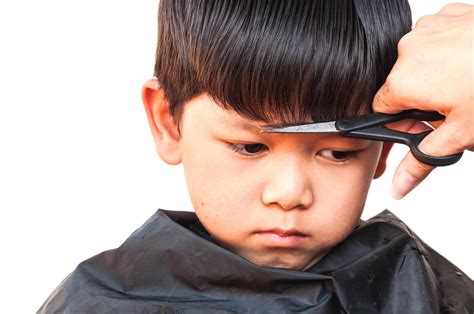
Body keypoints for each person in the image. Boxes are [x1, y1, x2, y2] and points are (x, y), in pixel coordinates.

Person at [39, 1, 474, 313]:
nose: (289, 194)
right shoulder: (100, 303)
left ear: (386, 144)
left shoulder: (417, 285)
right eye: (250, 146)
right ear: (168, 121)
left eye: (339, 153)